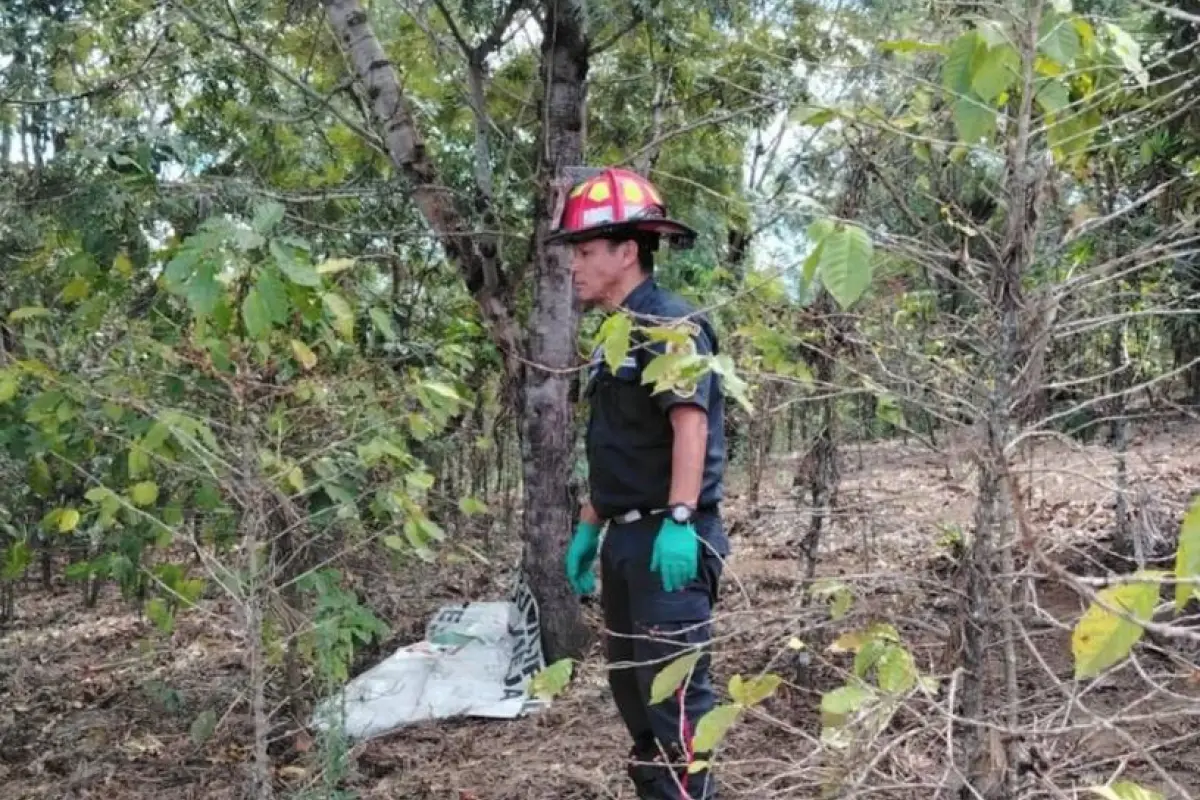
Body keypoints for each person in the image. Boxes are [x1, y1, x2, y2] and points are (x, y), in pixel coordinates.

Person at [545, 166, 730, 800]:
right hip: (628, 541)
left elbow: (690, 426)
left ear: (628, 252)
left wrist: (680, 520)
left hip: (667, 544)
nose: (574, 264)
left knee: (675, 705)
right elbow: (623, 446)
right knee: (636, 700)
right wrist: (590, 528)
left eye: (587, 250)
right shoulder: (615, 336)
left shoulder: (668, 324)